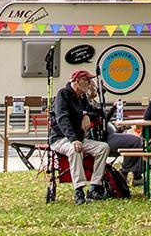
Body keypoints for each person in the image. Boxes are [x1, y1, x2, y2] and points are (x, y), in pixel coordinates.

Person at [50, 69, 110, 205]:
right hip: (60, 138)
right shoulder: (63, 94)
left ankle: (95, 186)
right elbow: (62, 118)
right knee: (75, 149)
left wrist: (87, 114)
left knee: (103, 147)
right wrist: (73, 139)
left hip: (79, 138)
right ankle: (79, 189)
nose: (90, 83)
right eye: (87, 80)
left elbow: (96, 113)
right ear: (77, 81)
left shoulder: (82, 98)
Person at [82, 86, 144, 187]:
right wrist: (113, 109)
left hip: (110, 134)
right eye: (93, 86)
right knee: (136, 141)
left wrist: (114, 108)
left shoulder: (93, 103)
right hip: (106, 138)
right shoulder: (87, 105)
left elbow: (104, 120)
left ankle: (135, 175)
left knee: (136, 138)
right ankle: (128, 174)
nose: (96, 88)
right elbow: (101, 121)